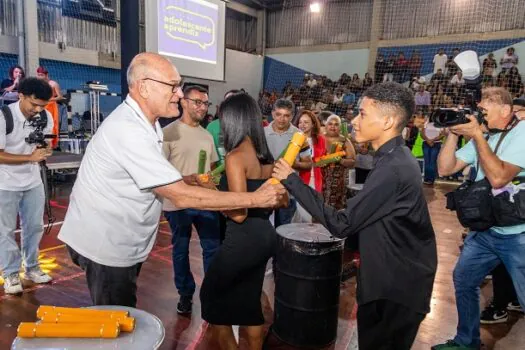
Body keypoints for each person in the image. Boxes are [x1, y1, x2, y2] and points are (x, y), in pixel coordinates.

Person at [57, 53, 285, 307]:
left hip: (120, 241)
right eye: (173, 86)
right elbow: (179, 195)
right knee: (116, 328)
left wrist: (189, 179)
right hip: (105, 246)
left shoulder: (147, 124)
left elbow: (156, 177)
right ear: (144, 86)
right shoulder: (128, 130)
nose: (179, 94)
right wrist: (256, 198)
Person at [272, 82, 437, 350]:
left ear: (387, 121)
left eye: (362, 114)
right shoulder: (393, 157)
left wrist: (292, 180)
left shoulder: (393, 168)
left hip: (395, 289)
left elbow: (342, 224)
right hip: (390, 278)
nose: (354, 121)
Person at [433, 87, 525, 350]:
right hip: (485, 231)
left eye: (485, 108)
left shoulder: (522, 133)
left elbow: (499, 177)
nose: (480, 112)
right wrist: (453, 132)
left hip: (518, 233)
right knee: (464, 280)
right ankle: (466, 341)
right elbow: (445, 168)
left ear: (506, 111)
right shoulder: (484, 137)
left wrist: (477, 136)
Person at [200, 93, 286, 350]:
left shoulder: (236, 156)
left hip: (243, 237)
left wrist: (212, 194)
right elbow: (280, 198)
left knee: (210, 299)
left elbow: (238, 212)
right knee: (249, 301)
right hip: (265, 235)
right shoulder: (265, 157)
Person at [162, 85, 219, 315]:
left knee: (212, 249)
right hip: (178, 204)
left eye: (206, 103)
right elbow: (160, 172)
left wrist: (211, 182)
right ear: (183, 102)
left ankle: (212, 293)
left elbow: (213, 168)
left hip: (205, 202)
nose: (202, 107)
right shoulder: (168, 133)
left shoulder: (207, 135)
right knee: (180, 250)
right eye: (197, 102)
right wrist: (189, 179)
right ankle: (185, 294)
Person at [0, 77, 54, 294]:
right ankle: (11, 272)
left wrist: (45, 149)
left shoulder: (45, 116)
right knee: (5, 231)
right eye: (34, 104)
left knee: (34, 227)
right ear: (20, 95)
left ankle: (32, 267)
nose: (38, 109)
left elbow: (45, 144)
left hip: (32, 181)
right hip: (5, 183)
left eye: (42, 105)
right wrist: (29, 158)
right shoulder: (4, 117)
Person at [264, 99, 312, 227]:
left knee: (284, 231)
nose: (282, 119)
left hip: (288, 192)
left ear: (292, 116)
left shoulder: (299, 136)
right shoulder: (262, 134)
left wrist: (292, 163)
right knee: (261, 228)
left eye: (286, 115)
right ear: (273, 113)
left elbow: (308, 165)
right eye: (278, 114)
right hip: (265, 188)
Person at [322, 114, 356, 209]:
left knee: (337, 208)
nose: (333, 126)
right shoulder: (319, 138)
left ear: (340, 127)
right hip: (320, 180)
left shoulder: (345, 140)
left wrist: (339, 160)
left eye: (336, 124)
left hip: (338, 182)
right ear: (326, 125)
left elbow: (353, 161)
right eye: (330, 124)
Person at [36, 67, 62, 149]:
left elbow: (60, 97)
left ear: (46, 75)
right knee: (40, 124)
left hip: (51, 106)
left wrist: (49, 99)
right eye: (38, 75)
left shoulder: (53, 84)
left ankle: (51, 144)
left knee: (52, 125)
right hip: (41, 106)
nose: (39, 77)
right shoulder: (39, 84)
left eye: (41, 75)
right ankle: (41, 144)